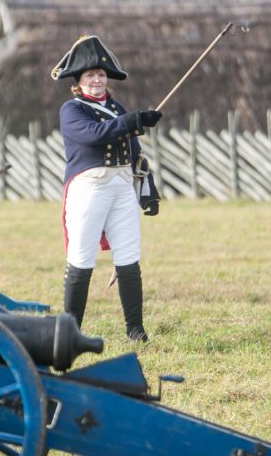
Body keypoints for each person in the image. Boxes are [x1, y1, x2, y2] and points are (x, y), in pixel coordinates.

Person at [51, 35, 161, 343]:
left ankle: (135, 330)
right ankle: (69, 331)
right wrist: (133, 120)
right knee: (81, 257)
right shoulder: (71, 110)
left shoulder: (117, 107)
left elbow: (134, 152)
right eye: (90, 75)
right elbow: (94, 135)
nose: (97, 80)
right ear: (79, 82)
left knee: (128, 257)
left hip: (122, 186)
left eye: (101, 74)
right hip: (89, 189)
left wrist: (147, 188)